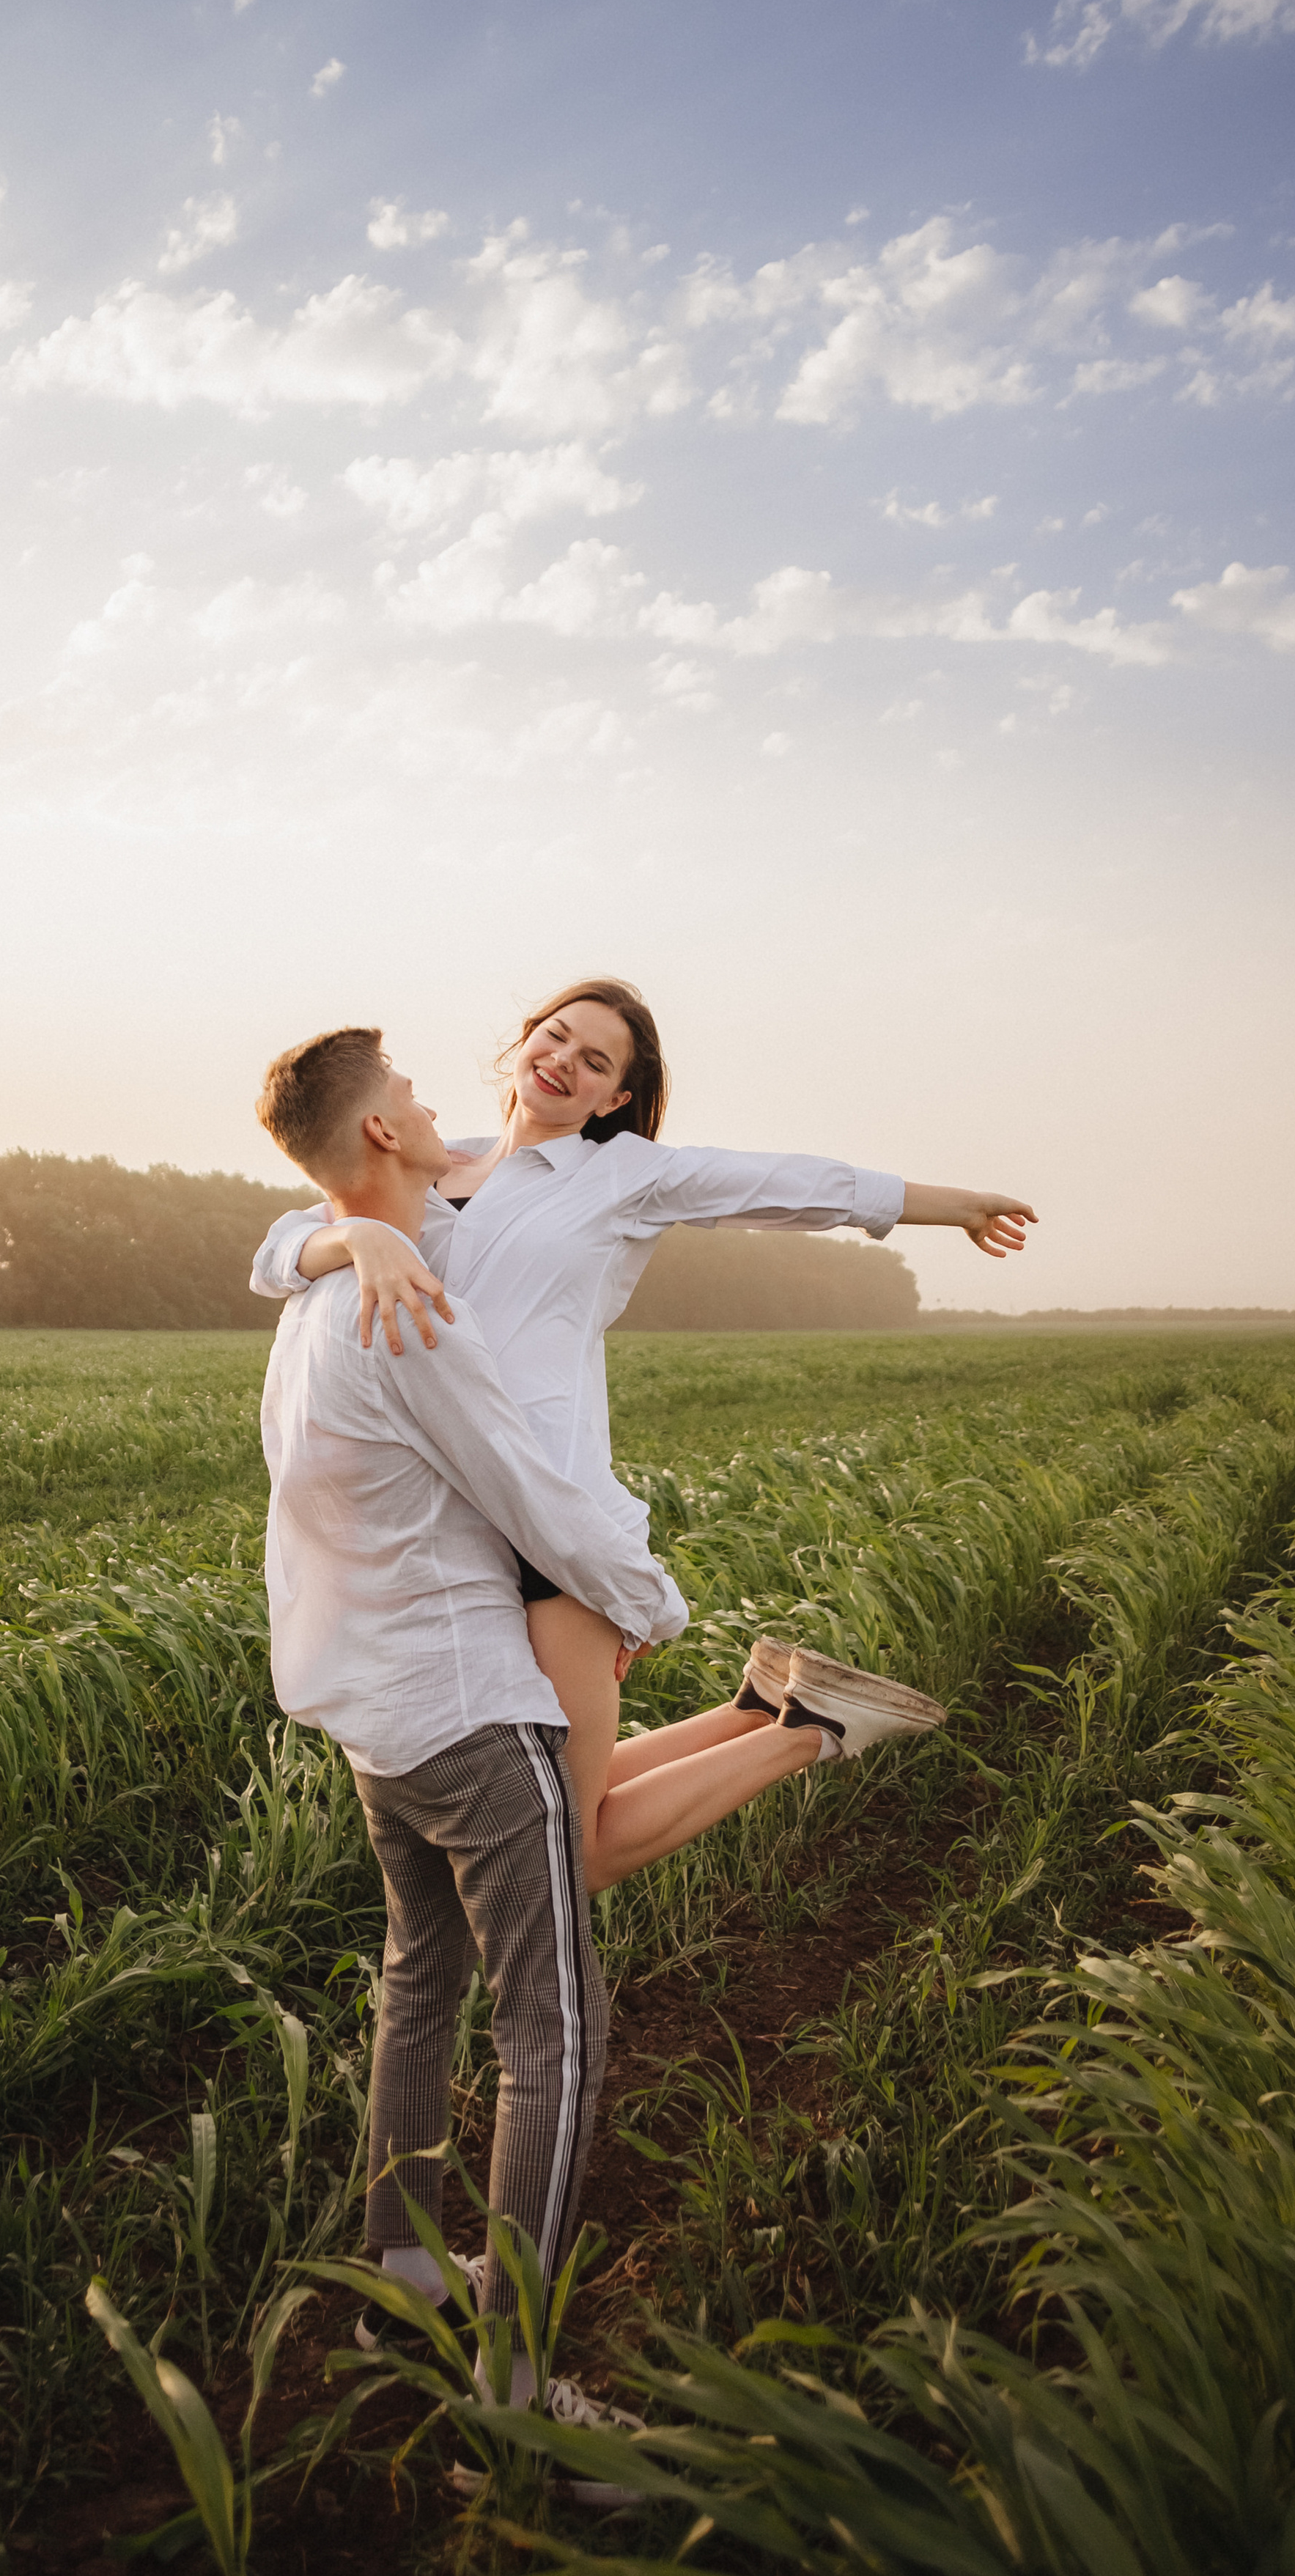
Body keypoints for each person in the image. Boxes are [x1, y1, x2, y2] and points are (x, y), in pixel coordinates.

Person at [254, 1023, 935, 2435]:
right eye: (409, 1098)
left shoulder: (328, 1308)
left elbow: (780, 1178)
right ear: (383, 1140)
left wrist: (345, 1241)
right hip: (467, 1693)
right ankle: (520, 2389)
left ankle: (398, 2258)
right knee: (552, 2034)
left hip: (372, 1707)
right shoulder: (409, 1287)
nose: (433, 1100)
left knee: (418, 1973)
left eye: (592, 1049)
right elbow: (532, 1493)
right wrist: (644, 1598)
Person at [253, 979, 1028, 1892]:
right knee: (533, 1803)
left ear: (614, 1098)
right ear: (522, 1042)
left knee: (568, 1855)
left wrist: (959, 1204)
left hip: (554, 1529)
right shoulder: (435, 1161)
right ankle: (764, 1707)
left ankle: (809, 1731)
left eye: (595, 1063)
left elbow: (792, 1185)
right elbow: (277, 1252)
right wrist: (359, 1245)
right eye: (555, 1037)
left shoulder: (625, 1177)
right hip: (451, 1535)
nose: (563, 1063)